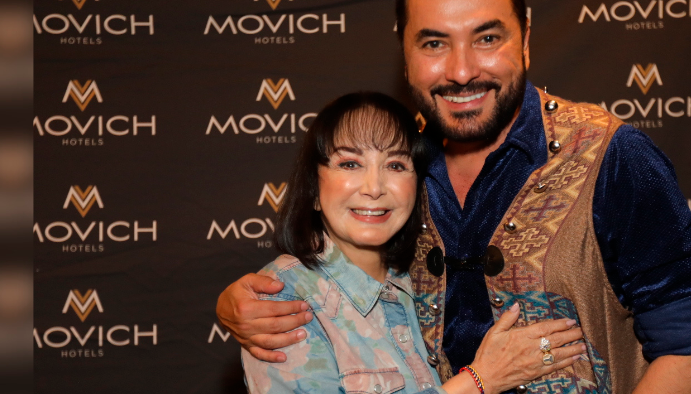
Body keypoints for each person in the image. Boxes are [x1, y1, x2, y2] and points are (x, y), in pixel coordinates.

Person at [220, 0, 691, 393]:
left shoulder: (613, 156)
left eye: (487, 38)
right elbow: (336, 293)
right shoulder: (398, 167)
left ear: (525, 35)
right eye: (434, 43)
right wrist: (240, 305)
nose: (462, 71)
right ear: (405, 50)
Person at [243, 92, 588, 394]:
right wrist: (481, 379)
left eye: (395, 164)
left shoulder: (424, 282)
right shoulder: (284, 301)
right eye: (350, 163)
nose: (374, 187)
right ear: (313, 191)